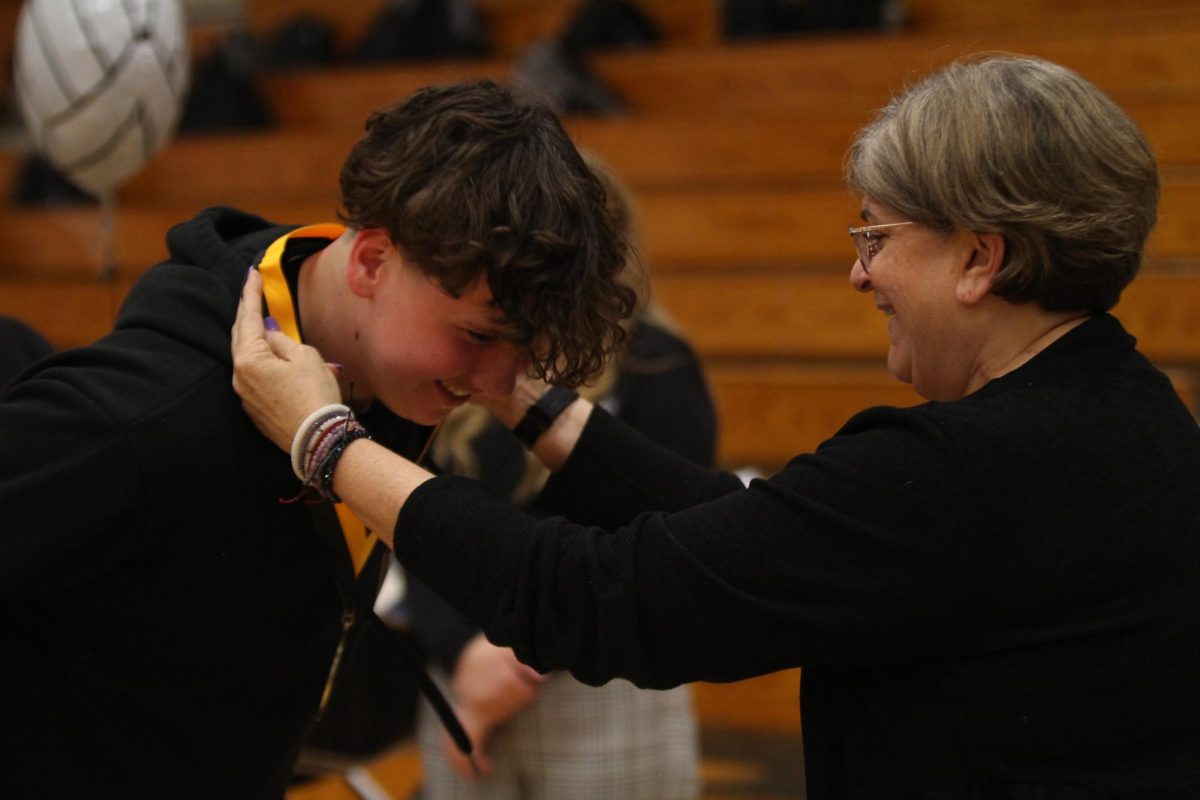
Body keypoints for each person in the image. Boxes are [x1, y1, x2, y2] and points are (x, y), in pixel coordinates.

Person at [231, 54, 1200, 798]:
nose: (860, 274)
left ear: (980, 258)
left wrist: (326, 439)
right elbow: (748, 544)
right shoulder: (1123, 409)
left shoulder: (968, 469)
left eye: (878, 236)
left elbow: (602, 594)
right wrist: (525, 396)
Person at [0, 80, 633, 798]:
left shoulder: (385, 364)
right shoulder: (145, 418)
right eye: (478, 336)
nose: (494, 382)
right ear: (369, 262)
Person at [407, 151, 713, 798]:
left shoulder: (657, 365)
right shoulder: (461, 353)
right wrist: (464, 656)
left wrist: (514, 657)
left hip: (601, 689)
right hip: (463, 679)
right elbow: (416, 514)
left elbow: (652, 541)